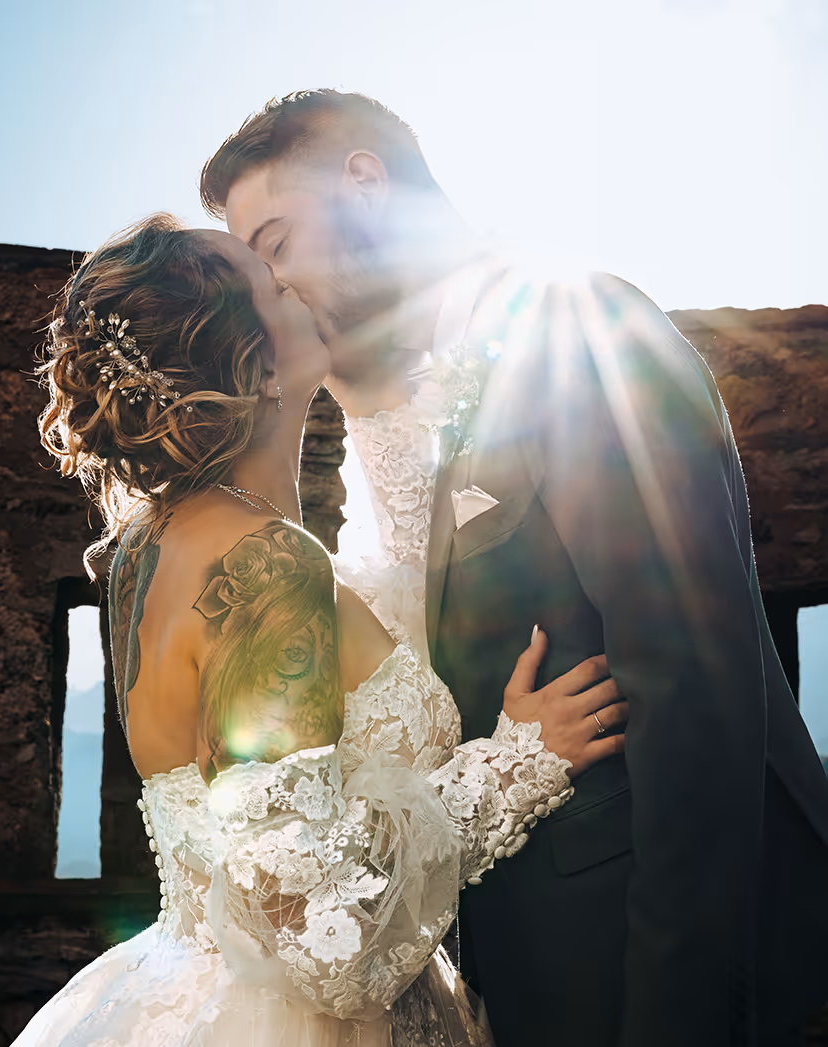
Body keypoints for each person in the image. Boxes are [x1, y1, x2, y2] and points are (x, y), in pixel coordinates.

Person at [200, 89, 828, 1046]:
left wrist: (678, 1015)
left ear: (364, 184)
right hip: (529, 978)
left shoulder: (573, 326)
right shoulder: (410, 400)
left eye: (277, 244)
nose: (275, 285)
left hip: (645, 967)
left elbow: (695, 688)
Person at [11, 213, 628, 1047]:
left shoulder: (146, 548)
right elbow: (316, 924)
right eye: (274, 285)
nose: (298, 283)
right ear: (259, 365)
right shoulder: (267, 564)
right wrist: (520, 762)